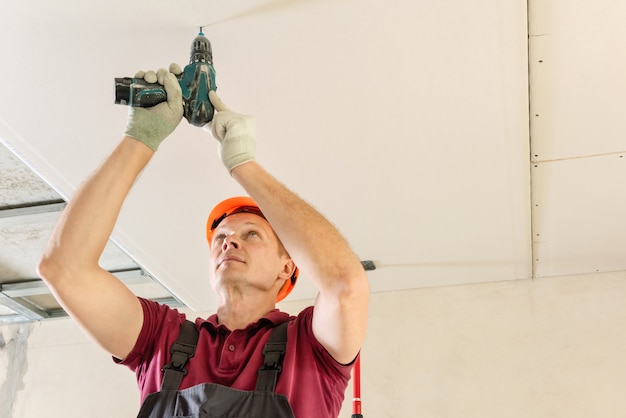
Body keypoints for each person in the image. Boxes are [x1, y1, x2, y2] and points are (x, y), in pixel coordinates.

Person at [37, 63, 370, 418]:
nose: (229, 242)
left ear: (287, 267)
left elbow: (345, 285)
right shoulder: (161, 339)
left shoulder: (308, 346)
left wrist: (243, 163)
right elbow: (63, 268)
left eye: (251, 234)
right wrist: (141, 138)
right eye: (221, 237)